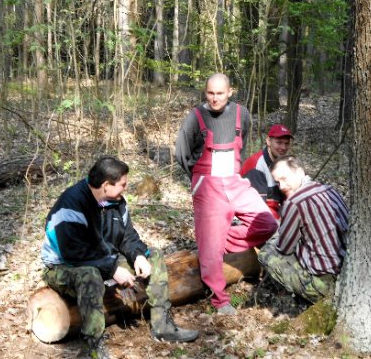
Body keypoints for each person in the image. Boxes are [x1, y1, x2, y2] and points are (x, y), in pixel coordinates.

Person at [40, 156, 198, 358]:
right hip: (63, 266)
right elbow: (73, 252)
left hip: (104, 259)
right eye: (122, 184)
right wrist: (113, 269)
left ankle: (163, 325)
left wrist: (138, 255)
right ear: (106, 184)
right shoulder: (71, 205)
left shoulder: (116, 201)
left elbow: (127, 236)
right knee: (89, 275)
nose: (126, 188)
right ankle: (93, 347)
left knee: (154, 256)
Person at [175, 73, 278, 315]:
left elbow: (244, 140)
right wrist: (200, 179)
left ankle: (217, 241)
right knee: (210, 247)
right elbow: (182, 153)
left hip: (234, 180)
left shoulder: (242, 114)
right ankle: (220, 300)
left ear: (230, 91)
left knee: (267, 223)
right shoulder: (195, 117)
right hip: (207, 184)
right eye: (210, 93)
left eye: (220, 93)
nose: (214, 98)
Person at [258, 155, 349, 303]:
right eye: (277, 182)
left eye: (285, 178)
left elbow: (285, 248)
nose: (281, 186)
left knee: (266, 252)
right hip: (347, 272)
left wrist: (277, 236)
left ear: (300, 172)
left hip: (324, 283)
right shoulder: (329, 189)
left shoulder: (295, 202)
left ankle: (305, 300)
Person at [240, 124, 293, 220]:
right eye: (279, 142)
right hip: (253, 217)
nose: (283, 147)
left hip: (273, 213)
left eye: (286, 143)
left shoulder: (281, 163)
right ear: (268, 141)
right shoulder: (257, 165)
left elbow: (286, 198)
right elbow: (259, 208)